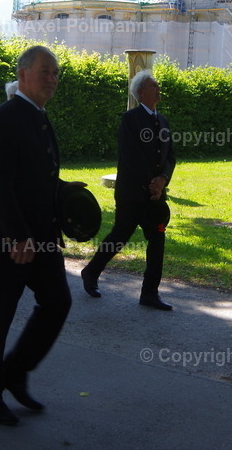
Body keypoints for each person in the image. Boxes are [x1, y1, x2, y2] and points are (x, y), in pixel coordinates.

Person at [0, 45, 78, 426]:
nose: (53, 79)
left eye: (56, 73)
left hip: (41, 236)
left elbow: (36, 175)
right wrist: (17, 237)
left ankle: (15, 370)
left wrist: (66, 191)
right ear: (22, 73)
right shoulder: (4, 118)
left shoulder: (38, 117)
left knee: (58, 302)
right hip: (9, 240)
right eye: (46, 71)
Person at [81, 69, 176, 310]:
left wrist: (163, 179)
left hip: (156, 195)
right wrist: (150, 183)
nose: (158, 88)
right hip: (132, 192)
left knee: (157, 239)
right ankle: (91, 272)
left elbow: (170, 155)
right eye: (154, 85)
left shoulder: (163, 120)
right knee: (120, 236)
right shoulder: (130, 119)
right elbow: (131, 157)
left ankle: (149, 293)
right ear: (141, 91)